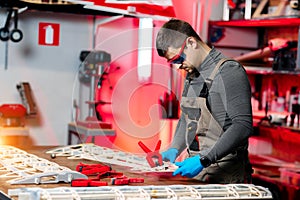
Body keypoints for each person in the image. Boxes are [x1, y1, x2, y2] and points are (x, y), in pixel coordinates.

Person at [156, 19, 253, 184]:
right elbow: (188, 118)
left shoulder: (228, 71)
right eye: (173, 63)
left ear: (191, 42)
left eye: (179, 59)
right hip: (198, 172)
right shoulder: (192, 73)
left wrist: (204, 159)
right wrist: (174, 148)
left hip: (225, 175)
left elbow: (242, 126)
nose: (178, 66)